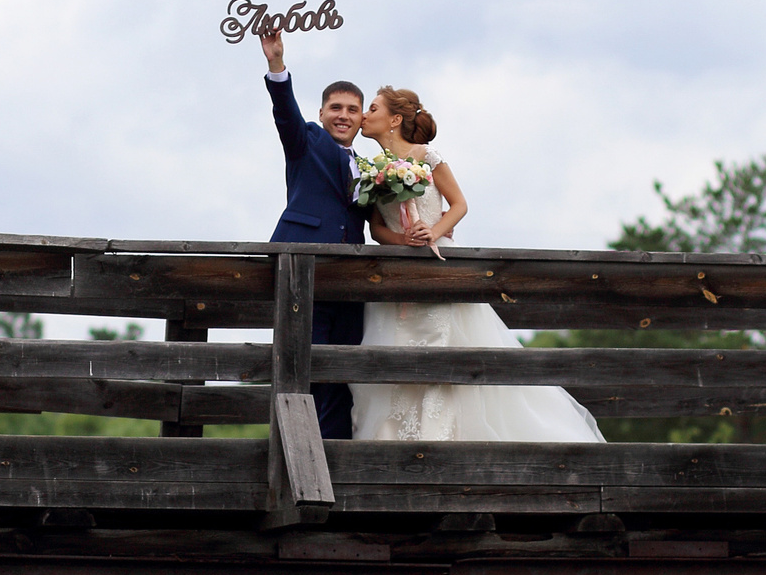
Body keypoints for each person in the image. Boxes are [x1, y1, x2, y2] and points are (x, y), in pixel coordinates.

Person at [348, 85, 603, 444]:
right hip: (396, 278)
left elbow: (459, 205)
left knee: (440, 356)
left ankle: (437, 439)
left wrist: (433, 232)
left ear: (395, 119)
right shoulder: (374, 169)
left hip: (438, 271)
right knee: (391, 360)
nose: (364, 115)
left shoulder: (427, 156)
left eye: (372, 108)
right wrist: (402, 241)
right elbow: (376, 228)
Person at [256, 27, 367, 439]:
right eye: (335, 107)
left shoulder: (372, 167)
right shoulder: (307, 141)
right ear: (321, 113)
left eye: (352, 109)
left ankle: (335, 454)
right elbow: (285, 113)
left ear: (362, 119)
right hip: (302, 275)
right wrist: (277, 64)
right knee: (301, 369)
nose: (343, 115)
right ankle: (297, 450)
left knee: (342, 374)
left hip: (350, 283)